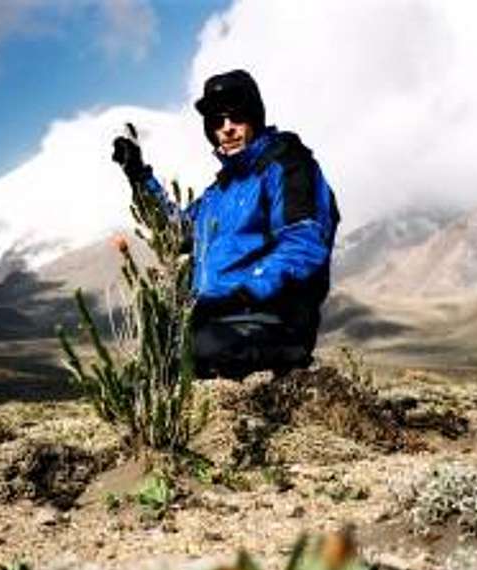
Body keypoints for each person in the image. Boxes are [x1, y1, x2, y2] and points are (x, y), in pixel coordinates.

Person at [112, 69, 339, 379]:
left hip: (271, 322)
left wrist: (243, 293)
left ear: (255, 118)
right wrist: (138, 174)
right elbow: (175, 232)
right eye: (217, 122)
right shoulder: (219, 192)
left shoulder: (287, 166)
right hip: (219, 323)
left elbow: (303, 244)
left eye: (237, 117)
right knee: (150, 365)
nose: (227, 128)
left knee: (195, 355)